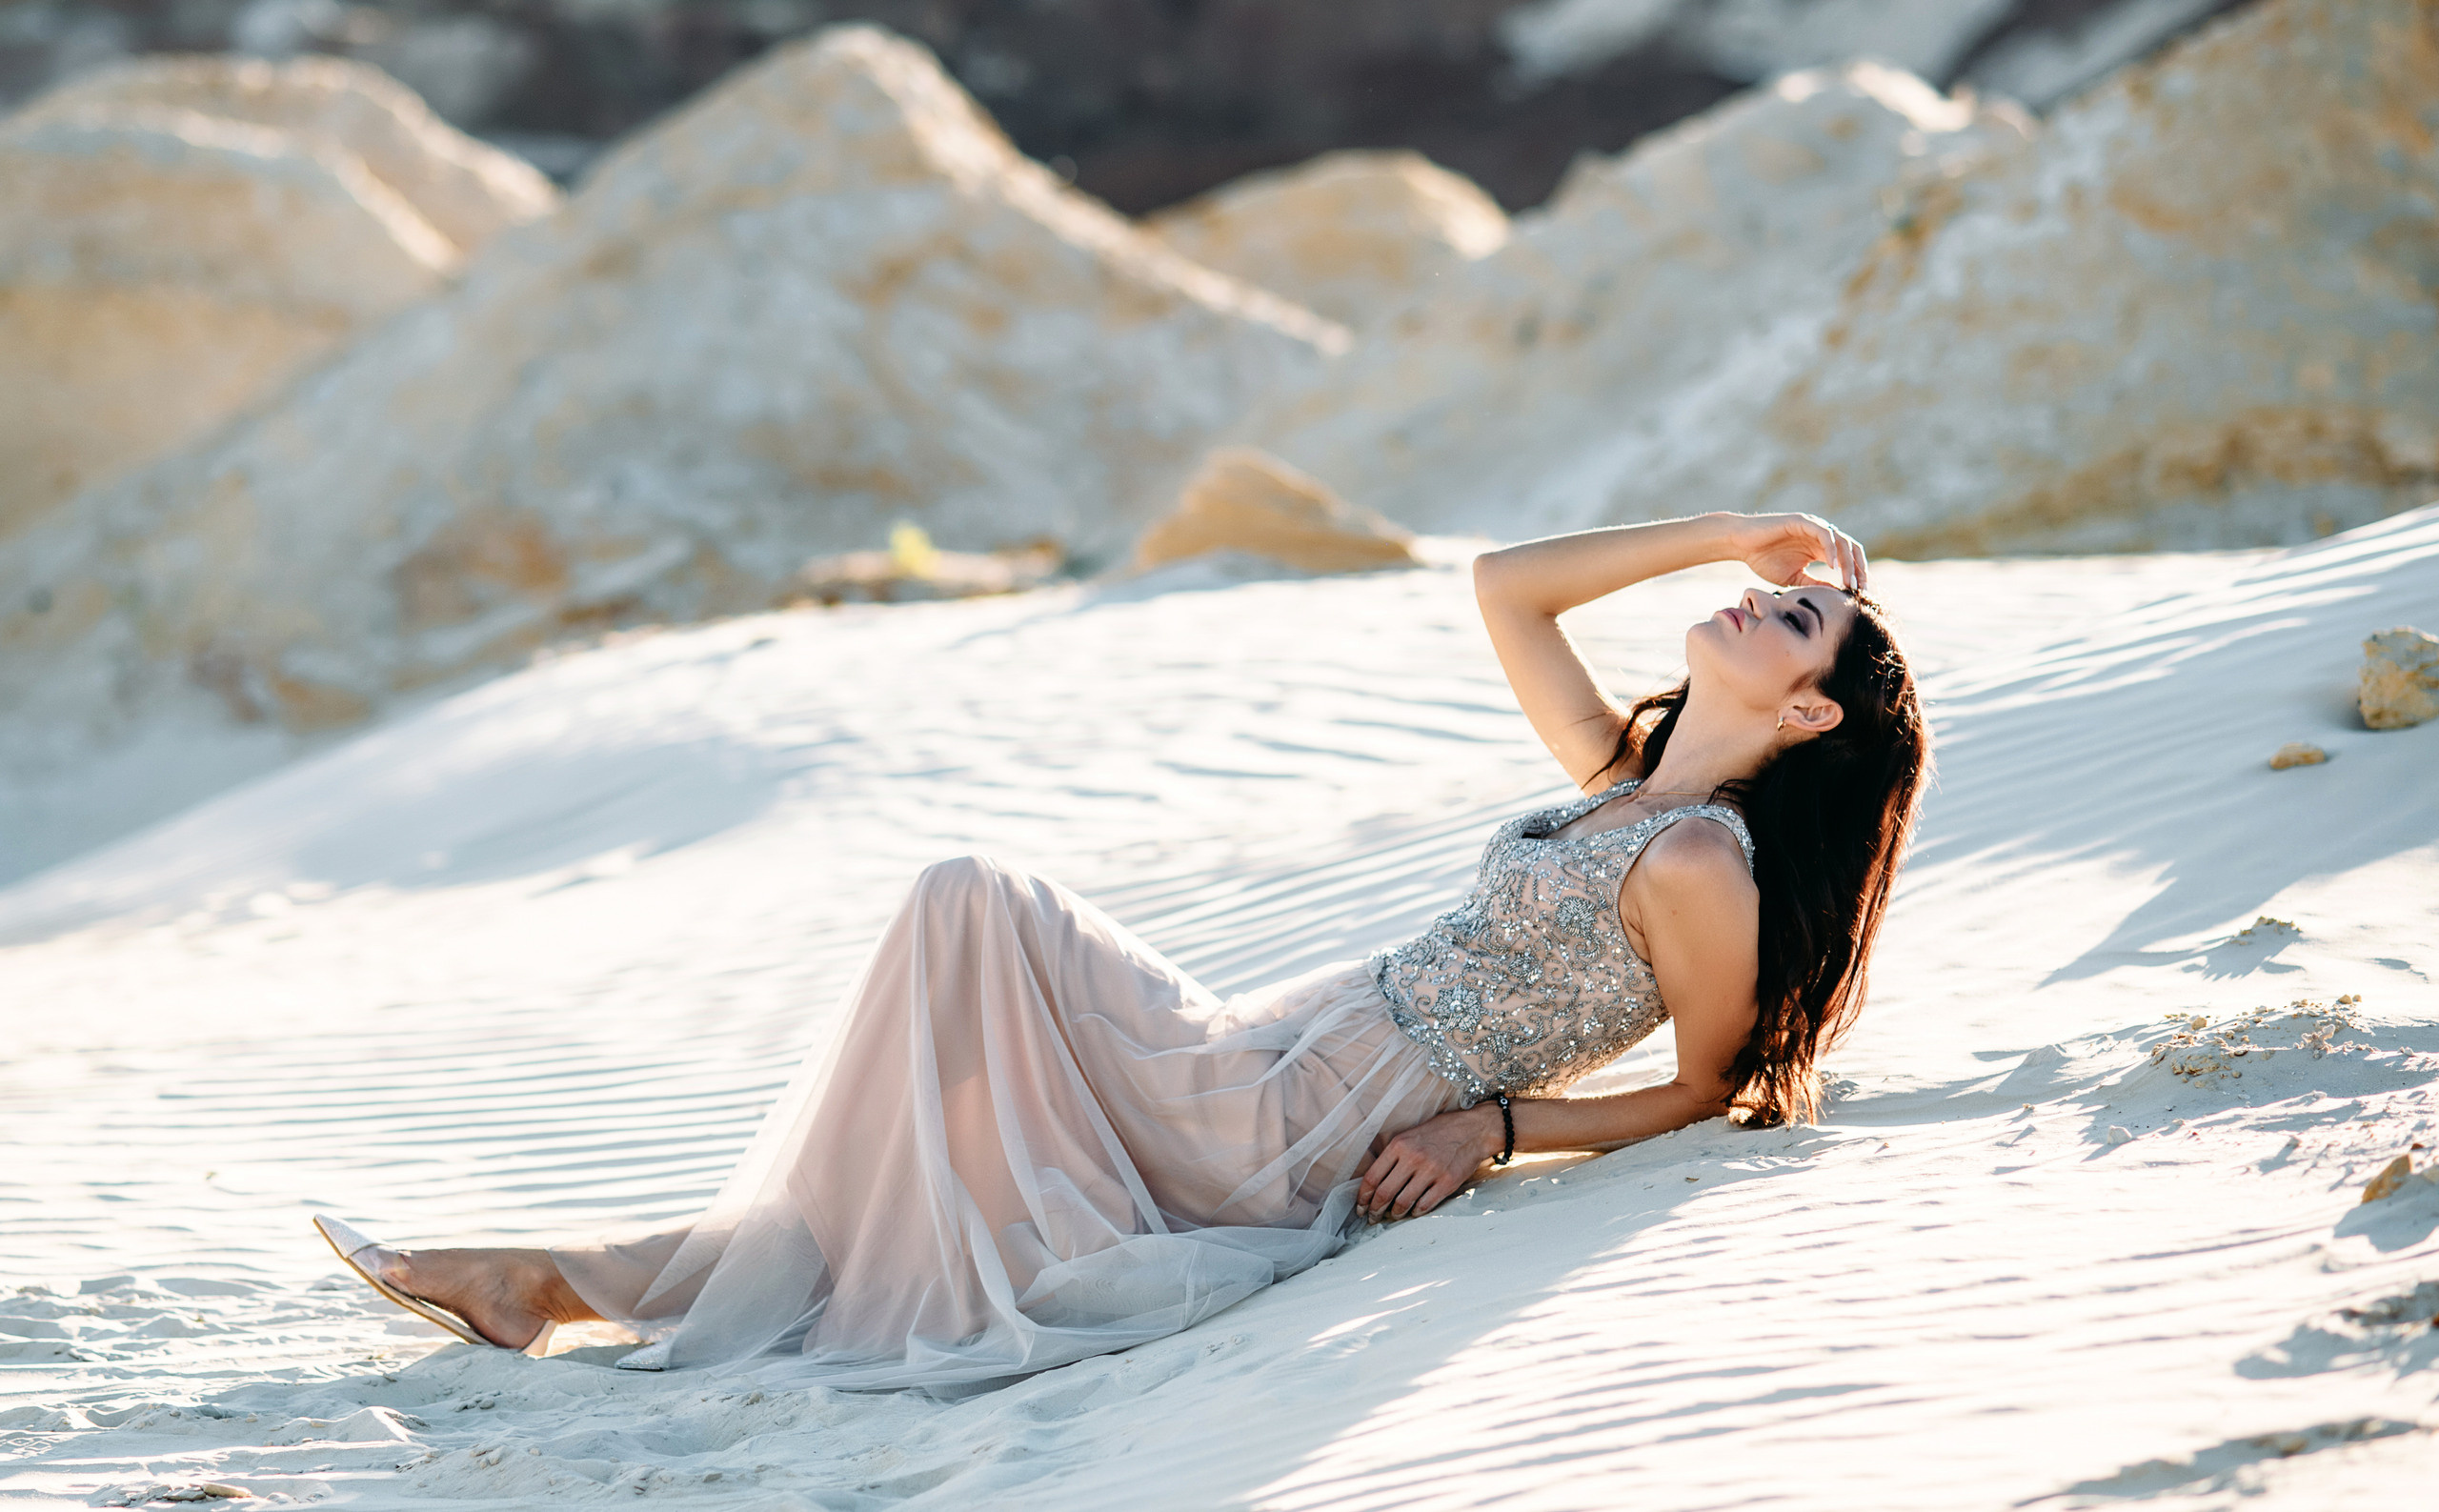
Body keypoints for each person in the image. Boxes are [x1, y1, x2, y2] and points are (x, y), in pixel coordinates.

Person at [317, 511, 1929, 1390]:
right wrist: (1733, 526)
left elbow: (1719, 1090)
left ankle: (563, 1282)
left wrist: (1494, 1128)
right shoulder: (1624, 790)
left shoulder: (1704, 855)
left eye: (1786, 622)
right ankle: (552, 1284)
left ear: (1804, 716)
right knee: (926, 1091)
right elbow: (1506, 592)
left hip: (1303, 1130)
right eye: (1755, 594)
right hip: (1269, 1049)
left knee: (969, 906)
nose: (1747, 604)